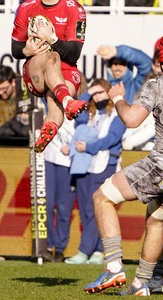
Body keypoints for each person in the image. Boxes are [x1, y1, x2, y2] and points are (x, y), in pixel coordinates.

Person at [83, 31, 163, 296]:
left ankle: (114, 266)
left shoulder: (157, 84)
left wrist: (117, 97)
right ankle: (141, 284)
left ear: (161, 61)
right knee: (156, 218)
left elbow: (131, 120)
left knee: (102, 197)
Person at [11, 0, 87, 153]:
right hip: (35, 69)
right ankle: (69, 102)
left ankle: (48, 129)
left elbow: (74, 53)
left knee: (56, 103)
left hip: (66, 69)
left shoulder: (75, 9)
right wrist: (26, 51)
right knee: (51, 57)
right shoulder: (26, 7)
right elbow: (15, 49)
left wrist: (51, 38)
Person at [65, 78, 126, 265]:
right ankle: (96, 250)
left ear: (109, 92)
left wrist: (89, 147)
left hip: (104, 165)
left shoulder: (117, 113)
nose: (97, 96)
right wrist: (88, 93)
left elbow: (112, 138)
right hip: (84, 166)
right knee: (85, 210)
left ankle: (88, 251)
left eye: (101, 92)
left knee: (96, 209)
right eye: (94, 93)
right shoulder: (89, 113)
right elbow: (78, 120)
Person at [43, 117, 76, 263]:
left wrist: (73, 147)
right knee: (46, 204)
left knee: (64, 207)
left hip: (69, 163)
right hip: (48, 158)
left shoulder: (82, 108)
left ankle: (60, 249)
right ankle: (47, 246)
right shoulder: (52, 103)